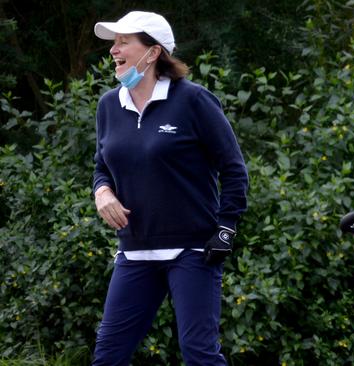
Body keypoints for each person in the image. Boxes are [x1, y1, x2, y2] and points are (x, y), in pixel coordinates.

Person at [91, 10, 248, 366]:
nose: (114, 50)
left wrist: (226, 227)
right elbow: (102, 167)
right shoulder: (108, 106)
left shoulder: (193, 101)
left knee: (199, 356)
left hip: (193, 251)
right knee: (108, 357)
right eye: (114, 43)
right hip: (134, 252)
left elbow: (234, 168)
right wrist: (102, 192)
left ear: (153, 51)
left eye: (123, 41)